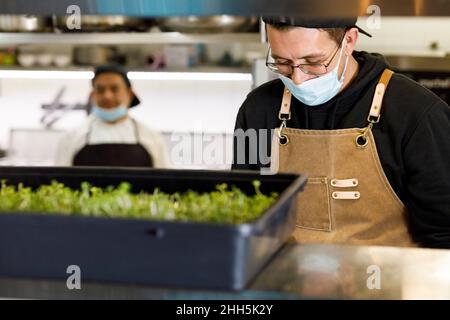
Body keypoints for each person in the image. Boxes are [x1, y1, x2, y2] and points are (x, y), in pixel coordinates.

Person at [232, 17, 450, 248]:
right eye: (282, 63)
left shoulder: (417, 114)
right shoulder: (258, 109)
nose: (298, 78)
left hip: (386, 281)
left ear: (349, 40)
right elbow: (244, 217)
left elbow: (443, 236)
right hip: (281, 280)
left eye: (313, 62)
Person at [55, 64, 169, 168]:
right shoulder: (71, 138)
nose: (107, 96)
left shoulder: (151, 137)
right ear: (92, 95)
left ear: (129, 94)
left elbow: (167, 183)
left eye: (115, 89)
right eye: (100, 90)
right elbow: (58, 184)